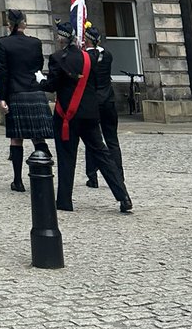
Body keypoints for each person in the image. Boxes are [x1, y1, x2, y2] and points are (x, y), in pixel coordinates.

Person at [46, 20, 133, 214]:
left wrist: (38, 82)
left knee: (66, 157)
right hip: (89, 114)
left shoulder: (57, 58)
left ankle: (64, 201)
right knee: (102, 155)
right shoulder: (88, 59)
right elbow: (92, 84)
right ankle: (123, 196)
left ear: (61, 38)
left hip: (67, 115)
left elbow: (51, 86)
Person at [0, 9, 54, 192]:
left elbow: (3, 72)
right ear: (24, 24)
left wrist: (2, 97)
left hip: (16, 92)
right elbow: (38, 66)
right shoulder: (35, 43)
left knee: (16, 139)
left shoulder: (3, 43)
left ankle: (18, 181)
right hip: (35, 92)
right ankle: (45, 175)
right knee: (38, 136)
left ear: (9, 24)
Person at [83, 22, 124, 188]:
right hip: (108, 101)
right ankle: (119, 174)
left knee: (92, 140)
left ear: (87, 40)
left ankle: (92, 177)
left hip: (92, 102)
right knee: (112, 140)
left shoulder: (85, 57)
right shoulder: (107, 55)